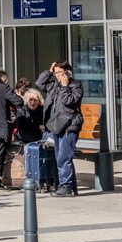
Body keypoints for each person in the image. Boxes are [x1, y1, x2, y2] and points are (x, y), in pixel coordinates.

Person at [37, 61, 83, 197]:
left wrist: (64, 86)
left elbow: (68, 101)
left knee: (64, 157)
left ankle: (66, 187)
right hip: (56, 126)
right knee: (61, 156)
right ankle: (70, 186)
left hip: (69, 127)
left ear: (68, 72)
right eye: (56, 73)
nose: (58, 76)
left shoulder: (76, 86)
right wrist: (49, 72)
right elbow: (39, 83)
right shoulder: (54, 86)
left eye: (60, 73)